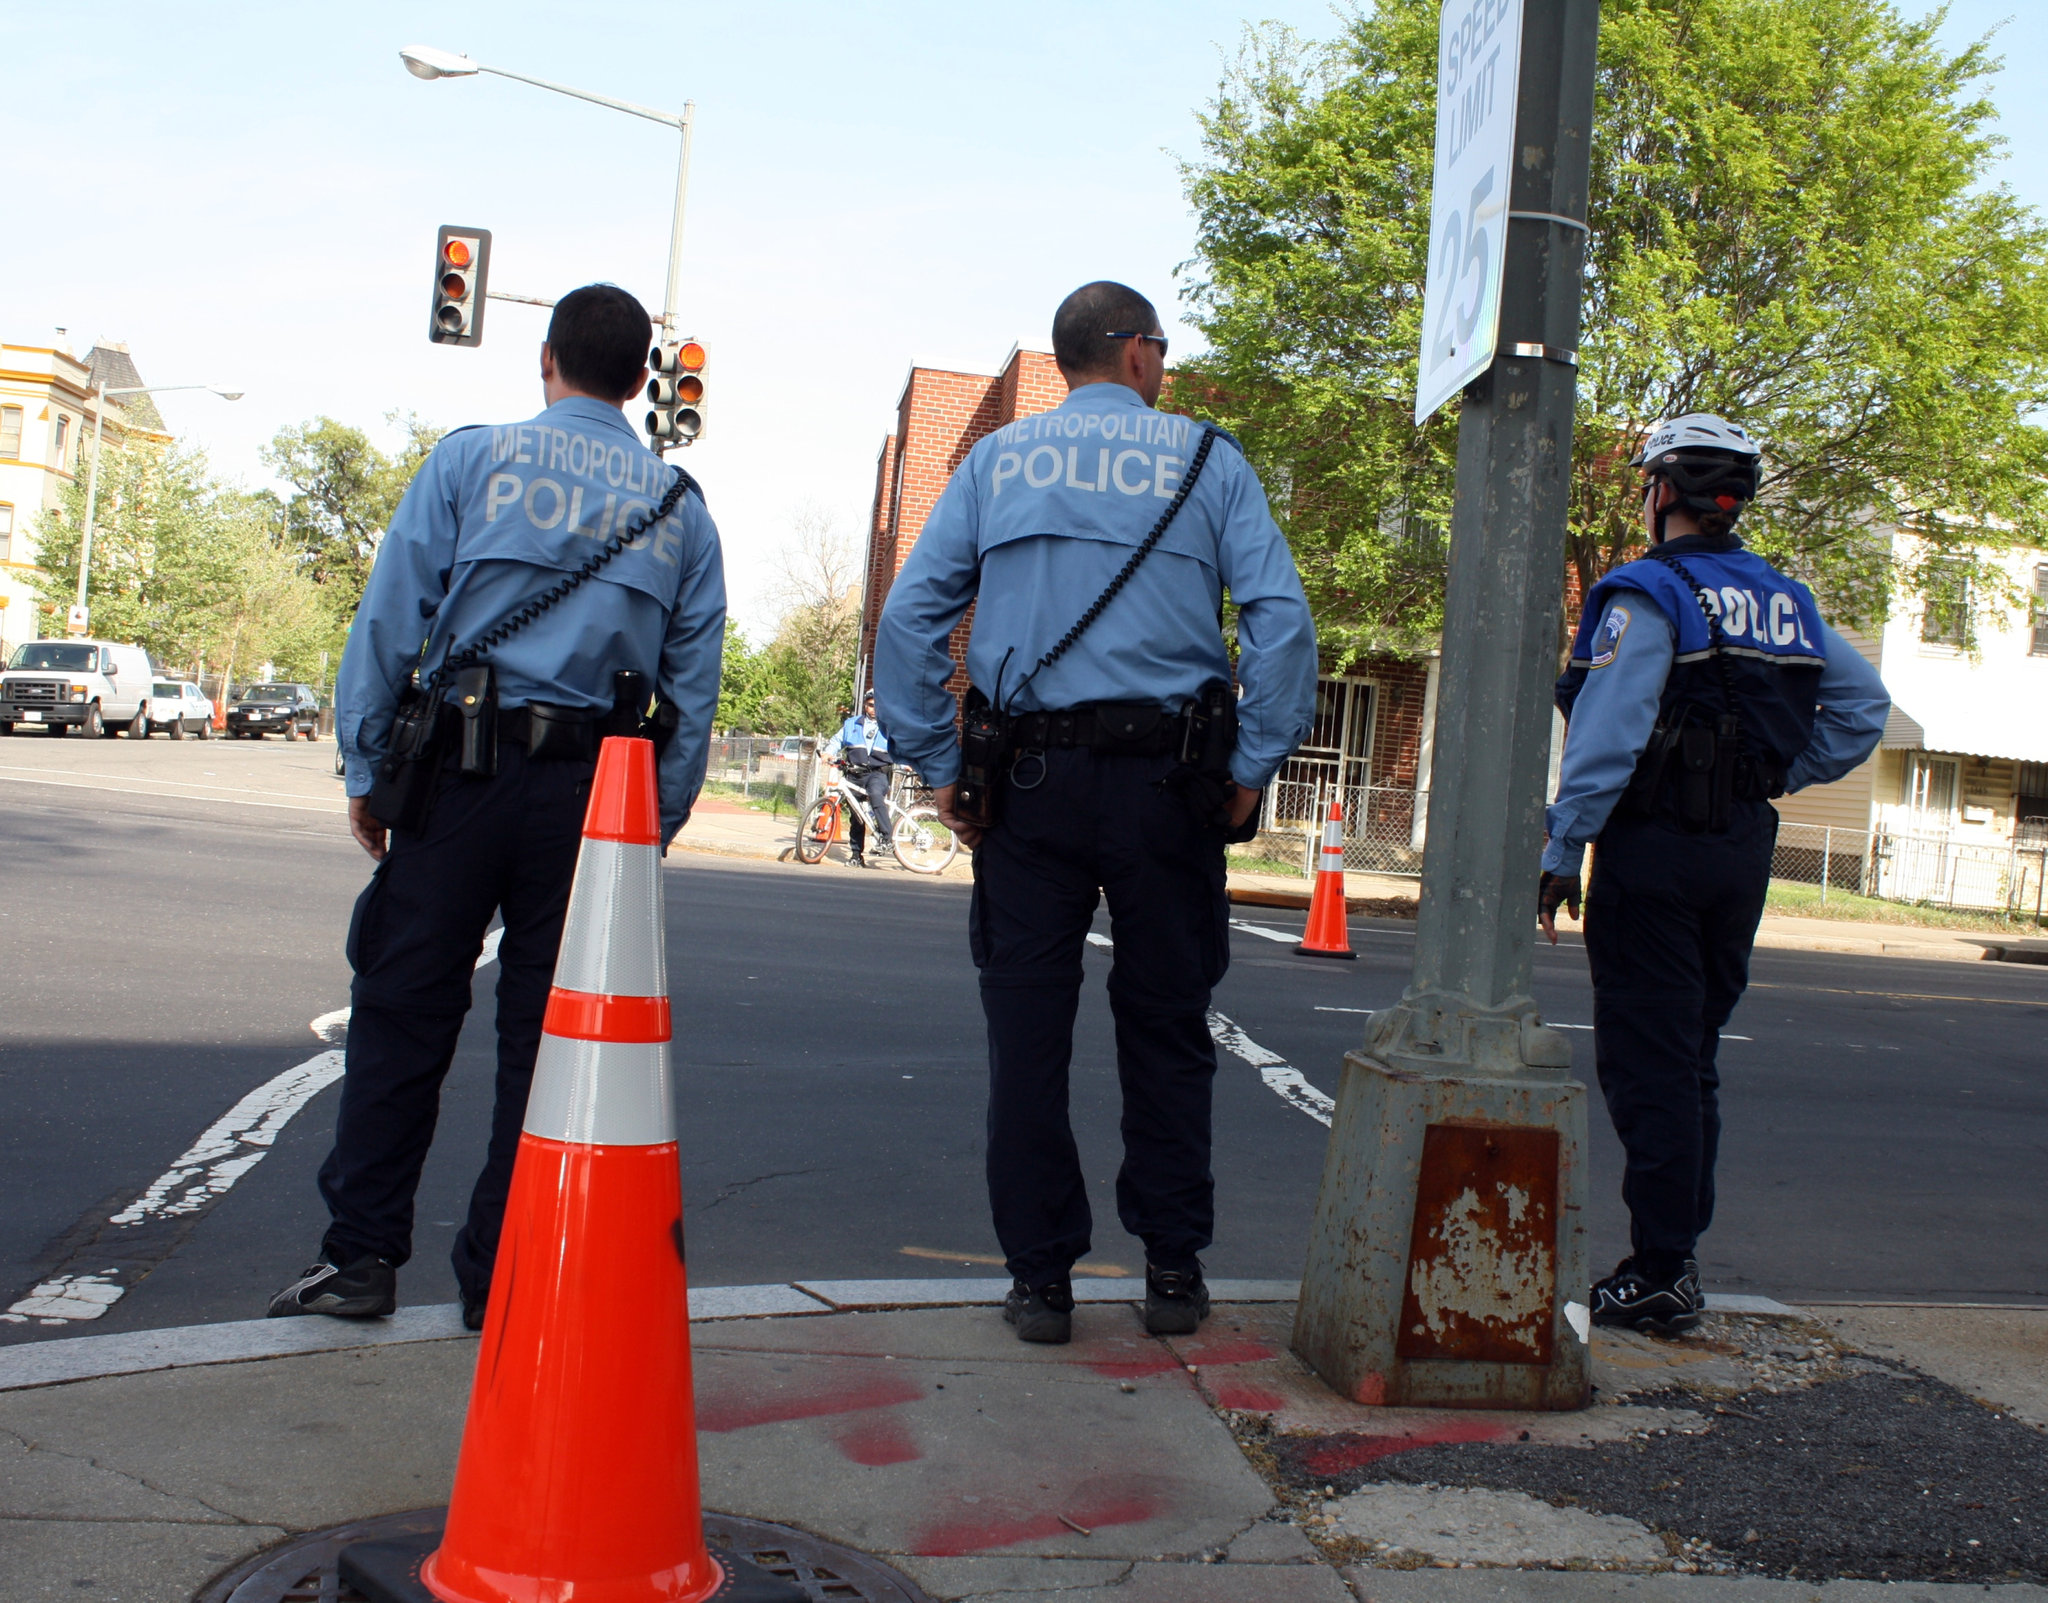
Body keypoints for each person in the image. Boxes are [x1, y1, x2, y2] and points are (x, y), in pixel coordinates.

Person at [270, 284, 726, 1328]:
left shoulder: (470, 462)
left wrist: (365, 766)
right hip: (589, 803)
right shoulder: (678, 508)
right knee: (546, 1045)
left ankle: (361, 1259)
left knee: (400, 1020)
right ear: (640, 380)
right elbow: (688, 693)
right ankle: (506, 1276)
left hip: (458, 778)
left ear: (546, 359)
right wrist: (652, 821)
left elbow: (391, 621)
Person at [873, 280, 1318, 1344]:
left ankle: (1039, 1280)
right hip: (1170, 789)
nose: (1163, 366)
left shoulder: (994, 462)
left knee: (1024, 1037)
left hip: (1028, 789)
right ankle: (1170, 1268)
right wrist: (1251, 763)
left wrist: (937, 761)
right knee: (1166, 1031)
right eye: (1159, 349)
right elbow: (1280, 625)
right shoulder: (1208, 461)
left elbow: (908, 619)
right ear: (1130, 354)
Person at [1539, 413, 1888, 1334]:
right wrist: (1765, 774)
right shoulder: (1788, 599)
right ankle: (1673, 1255)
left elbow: (1607, 735)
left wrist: (1563, 846)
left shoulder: (1649, 592)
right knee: (1693, 1062)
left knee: (1650, 1065)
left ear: (1662, 491)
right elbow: (1862, 711)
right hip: (1741, 851)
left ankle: (1660, 1271)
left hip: (1653, 851)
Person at [826, 689, 896, 867]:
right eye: (871, 705)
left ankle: (887, 837)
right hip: (854, 774)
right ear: (865, 705)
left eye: (878, 705)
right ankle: (856, 855)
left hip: (877, 773)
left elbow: (903, 747)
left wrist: (909, 762)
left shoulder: (889, 726)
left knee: (875, 794)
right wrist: (827, 753)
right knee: (856, 816)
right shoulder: (851, 724)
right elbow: (836, 741)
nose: (874, 709)